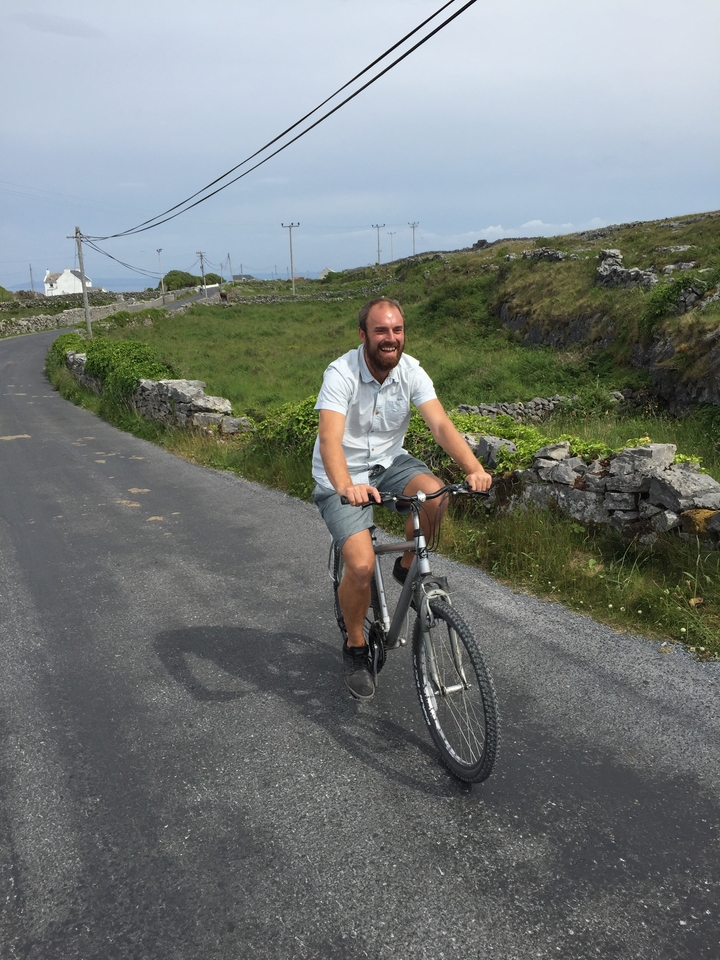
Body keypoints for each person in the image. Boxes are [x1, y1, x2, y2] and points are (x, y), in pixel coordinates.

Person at [312, 297, 493, 700]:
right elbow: (329, 439)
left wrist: (472, 468)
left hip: (389, 463)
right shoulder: (340, 373)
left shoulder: (410, 370)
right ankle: (356, 646)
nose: (390, 339)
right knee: (358, 565)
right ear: (363, 336)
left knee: (435, 497)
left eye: (397, 330)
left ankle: (407, 566)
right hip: (342, 475)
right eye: (381, 331)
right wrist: (345, 486)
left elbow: (441, 424)